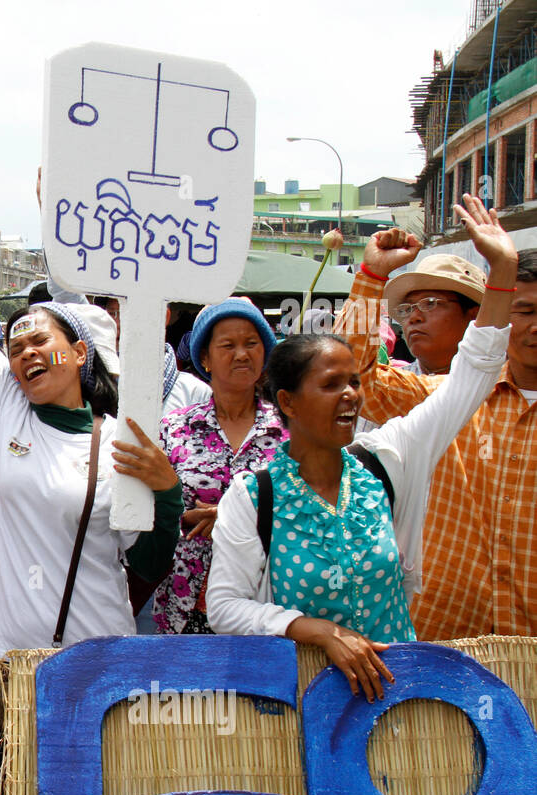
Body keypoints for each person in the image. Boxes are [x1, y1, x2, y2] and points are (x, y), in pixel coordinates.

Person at [207, 194, 517, 699]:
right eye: (331, 385)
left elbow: (473, 375)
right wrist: (318, 631)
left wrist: (503, 268)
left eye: (354, 383)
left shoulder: (389, 460)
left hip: (403, 697)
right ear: (287, 401)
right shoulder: (253, 496)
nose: (352, 395)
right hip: (302, 704)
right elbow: (224, 606)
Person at [0, 163, 181, 656]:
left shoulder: (120, 439)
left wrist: (169, 494)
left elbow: (149, 563)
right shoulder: (4, 403)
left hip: (99, 655)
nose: (25, 351)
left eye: (40, 341)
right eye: (15, 346)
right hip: (12, 657)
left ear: (78, 353)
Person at [333, 215, 537, 642]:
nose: (535, 325)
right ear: (499, 319)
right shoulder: (450, 398)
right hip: (443, 637)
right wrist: (371, 276)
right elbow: (355, 378)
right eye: (525, 311)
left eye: (433, 304)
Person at [154, 299, 285, 634]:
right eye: (228, 345)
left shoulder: (289, 431)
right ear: (205, 359)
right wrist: (182, 516)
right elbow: (151, 510)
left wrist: (233, 519)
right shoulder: (174, 429)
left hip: (266, 602)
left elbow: (306, 507)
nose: (241, 354)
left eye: (251, 344)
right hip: (186, 602)